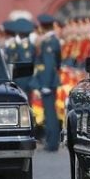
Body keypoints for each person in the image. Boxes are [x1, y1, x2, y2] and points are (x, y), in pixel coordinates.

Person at [32, 14, 62, 152]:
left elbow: (50, 64)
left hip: (48, 82)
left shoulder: (50, 41)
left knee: (50, 114)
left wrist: (45, 84)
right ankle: (51, 141)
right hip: (49, 80)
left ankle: (52, 143)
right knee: (49, 112)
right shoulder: (51, 40)